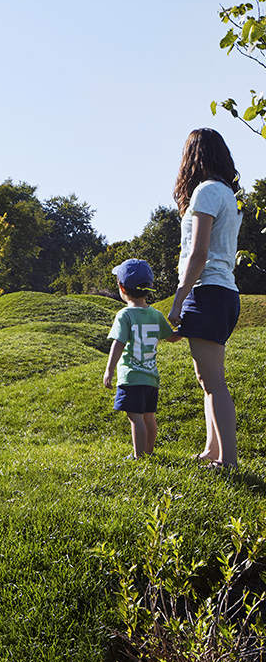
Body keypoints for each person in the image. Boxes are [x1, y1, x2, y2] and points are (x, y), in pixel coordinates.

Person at [166, 128, 242, 469]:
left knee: (214, 382)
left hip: (207, 291)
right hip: (224, 292)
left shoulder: (206, 192)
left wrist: (180, 297)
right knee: (206, 380)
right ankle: (212, 451)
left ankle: (228, 461)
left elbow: (198, 254)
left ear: (192, 157)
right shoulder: (228, 194)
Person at [103, 259, 179, 458]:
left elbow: (118, 343)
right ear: (150, 287)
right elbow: (172, 337)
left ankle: (139, 457)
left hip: (132, 377)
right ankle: (149, 452)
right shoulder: (156, 314)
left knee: (135, 418)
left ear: (121, 288)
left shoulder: (125, 315)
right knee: (149, 417)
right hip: (151, 377)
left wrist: (109, 370)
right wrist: (188, 325)